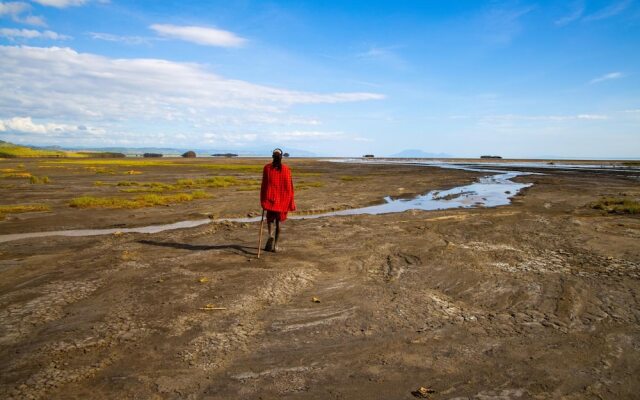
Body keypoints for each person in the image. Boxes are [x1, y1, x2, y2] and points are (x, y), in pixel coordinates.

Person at [260, 148, 295, 252]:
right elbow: (289, 187)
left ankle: (270, 235)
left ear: (272, 157)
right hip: (282, 202)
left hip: (270, 199)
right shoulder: (286, 169)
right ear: (281, 157)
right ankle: (275, 245)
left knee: (270, 220)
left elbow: (264, 186)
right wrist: (289, 200)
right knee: (278, 223)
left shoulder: (267, 168)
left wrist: (264, 199)